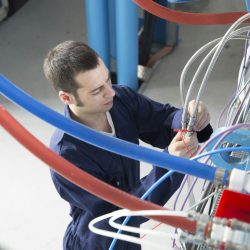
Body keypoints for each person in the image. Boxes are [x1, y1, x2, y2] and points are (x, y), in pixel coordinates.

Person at [43, 41, 212, 250]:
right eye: (97, 91)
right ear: (67, 98)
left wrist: (189, 118)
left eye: (107, 79)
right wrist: (170, 163)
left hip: (129, 236)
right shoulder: (66, 156)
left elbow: (163, 120)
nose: (110, 92)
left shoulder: (120, 99)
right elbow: (120, 213)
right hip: (100, 241)